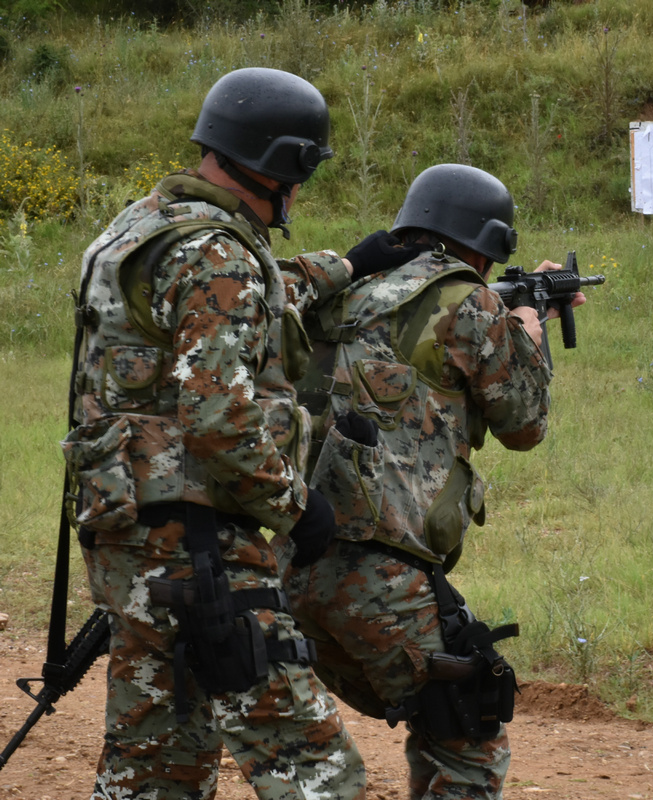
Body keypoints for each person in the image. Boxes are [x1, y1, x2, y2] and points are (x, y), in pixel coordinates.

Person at [61, 67, 407, 799]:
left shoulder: (146, 224)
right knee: (314, 767)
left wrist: (350, 263)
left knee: (157, 765)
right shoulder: (216, 253)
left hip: (130, 537)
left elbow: (251, 295)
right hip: (198, 551)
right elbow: (218, 419)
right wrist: (294, 505)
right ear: (285, 163)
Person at [277, 163, 585, 799]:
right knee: (466, 715)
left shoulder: (338, 293)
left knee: (394, 716)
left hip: (290, 562)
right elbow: (524, 425)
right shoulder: (471, 302)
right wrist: (527, 326)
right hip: (378, 571)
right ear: (485, 242)